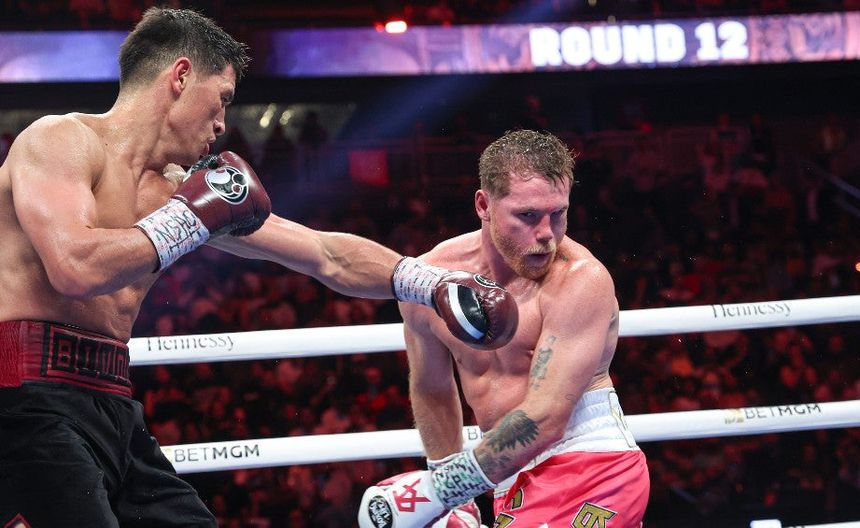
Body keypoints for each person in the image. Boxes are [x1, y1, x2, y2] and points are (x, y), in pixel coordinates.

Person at [0, 8, 516, 528]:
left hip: (111, 404)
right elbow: (74, 267)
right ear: (181, 76)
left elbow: (324, 253)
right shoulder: (60, 140)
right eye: (222, 98)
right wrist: (190, 218)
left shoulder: (180, 191)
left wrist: (429, 282)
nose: (222, 124)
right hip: (24, 402)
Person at [359, 130, 649, 528]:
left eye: (558, 214)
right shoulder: (430, 281)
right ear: (484, 205)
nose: (546, 233)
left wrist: (443, 488)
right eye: (528, 216)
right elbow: (432, 388)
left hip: (589, 462)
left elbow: (546, 416)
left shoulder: (580, 279)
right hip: (505, 477)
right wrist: (453, 495)